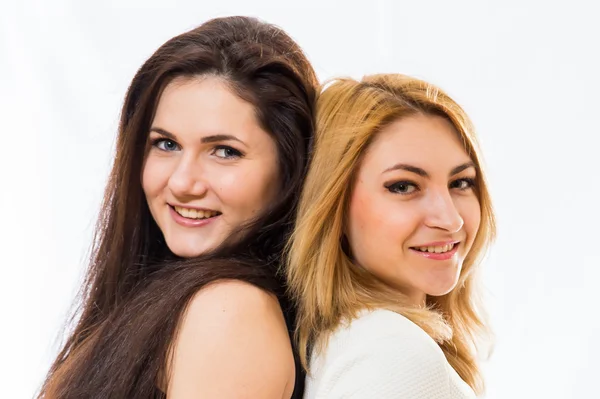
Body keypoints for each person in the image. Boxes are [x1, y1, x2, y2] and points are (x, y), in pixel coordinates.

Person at [39, 16, 318, 398]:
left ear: (290, 169)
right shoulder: (168, 295)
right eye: (166, 144)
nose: (183, 183)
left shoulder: (231, 312)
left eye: (225, 151)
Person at [287, 74, 496, 398]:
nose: (450, 219)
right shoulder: (394, 354)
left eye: (461, 183)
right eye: (403, 186)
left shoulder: (351, 340)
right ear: (333, 206)